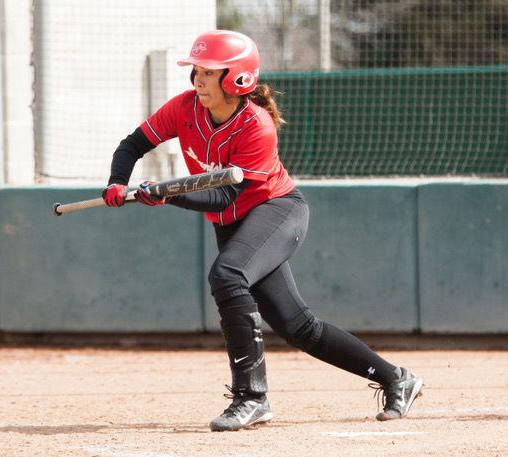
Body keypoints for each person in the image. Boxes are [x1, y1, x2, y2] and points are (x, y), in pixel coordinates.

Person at [102, 30, 423, 431]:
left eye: (208, 72)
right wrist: (118, 182)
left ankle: (252, 398)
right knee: (298, 328)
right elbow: (133, 144)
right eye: (196, 72)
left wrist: (167, 195)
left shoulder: (257, 126)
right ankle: (397, 379)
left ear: (236, 78)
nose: (197, 81)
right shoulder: (184, 108)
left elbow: (226, 198)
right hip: (233, 221)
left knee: (227, 275)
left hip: (275, 211)